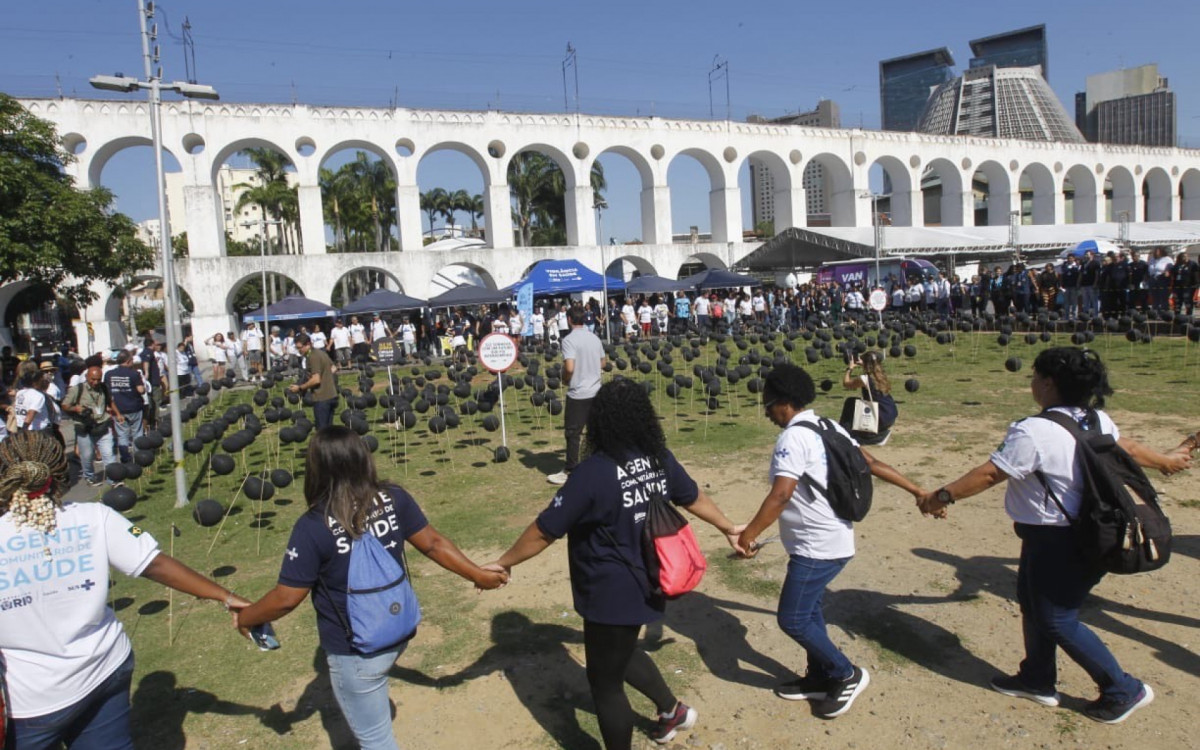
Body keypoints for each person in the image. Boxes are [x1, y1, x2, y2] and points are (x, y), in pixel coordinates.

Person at [918, 347, 1192, 724]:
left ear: (1048, 383)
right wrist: (1163, 460)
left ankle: (1123, 688)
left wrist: (941, 496)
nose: (1031, 382)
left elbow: (991, 474)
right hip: (1075, 532)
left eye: (1035, 376)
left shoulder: (1034, 431)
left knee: (1057, 618)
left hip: (1063, 540)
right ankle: (1037, 679)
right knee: (1033, 603)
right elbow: (1124, 446)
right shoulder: (1095, 419)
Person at [489, 379, 744, 749]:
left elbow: (545, 530)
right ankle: (672, 711)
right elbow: (692, 496)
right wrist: (728, 527)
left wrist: (504, 562)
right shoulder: (658, 457)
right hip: (651, 579)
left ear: (600, 420)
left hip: (610, 591)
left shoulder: (593, 472)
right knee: (619, 651)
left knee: (604, 684)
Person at [234, 426, 506, 750]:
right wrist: (477, 575)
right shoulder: (393, 498)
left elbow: (286, 598)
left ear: (317, 468)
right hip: (398, 627)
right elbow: (433, 543)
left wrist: (247, 618)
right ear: (363, 458)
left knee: (376, 741)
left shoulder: (313, 526)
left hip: (356, 651)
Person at [0, 431, 251, 749]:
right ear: (59, 472)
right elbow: (155, 564)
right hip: (104, 671)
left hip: (31, 700)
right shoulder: (95, 517)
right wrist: (227, 597)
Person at [736, 364, 925, 720]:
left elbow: (781, 494)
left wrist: (749, 535)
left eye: (768, 404)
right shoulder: (828, 426)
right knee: (809, 611)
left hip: (818, 547)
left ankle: (845, 673)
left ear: (784, 402)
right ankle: (819, 677)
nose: (767, 411)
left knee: (792, 619)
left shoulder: (793, 438)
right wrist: (917, 490)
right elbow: (871, 462)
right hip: (827, 540)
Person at [548, 307, 606, 486]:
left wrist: (565, 378)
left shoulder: (569, 340)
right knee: (596, 432)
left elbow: (570, 367)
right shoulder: (594, 337)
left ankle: (571, 470)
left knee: (573, 433)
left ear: (569, 320)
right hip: (596, 391)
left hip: (578, 393)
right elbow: (603, 363)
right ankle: (601, 465)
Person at [62, 365, 119, 487]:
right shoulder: (77, 389)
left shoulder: (103, 387)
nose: (96, 382)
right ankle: (90, 476)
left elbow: (110, 401)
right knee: (87, 455)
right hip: (84, 427)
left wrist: (118, 414)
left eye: (98, 379)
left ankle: (113, 478)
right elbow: (65, 405)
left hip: (103, 424)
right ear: (87, 377)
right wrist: (76, 408)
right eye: (93, 379)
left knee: (109, 454)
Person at [838, 351, 898, 445]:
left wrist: (850, 368)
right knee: (855, 402)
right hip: (890, 414)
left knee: (850, 403)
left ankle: (843, 434)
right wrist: (864, 364)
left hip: (880, 417)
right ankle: (875, 434)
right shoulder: (880, 375)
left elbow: (846, 383)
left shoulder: (865, 379)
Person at [103, 351, 146, 463]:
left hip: (117, 409)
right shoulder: (134, 374)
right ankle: (139, 457)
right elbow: (141, 390)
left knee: (122, 435)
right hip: (134, 407)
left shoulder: (109, 374)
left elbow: (106, 391)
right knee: (137, 433)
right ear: (128, 361)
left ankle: (125, 458)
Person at [290, 333, 339, 430]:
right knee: (329, 431)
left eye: (300, 347)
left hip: (321, 397)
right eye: (297, 348)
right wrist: (325, 376)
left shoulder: (313, 356)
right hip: (331, 395)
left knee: (322, 431)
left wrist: (300, 388)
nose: (299, 350)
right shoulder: (321, 353)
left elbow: (316, 380)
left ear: (308, 344)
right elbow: (333, 368)